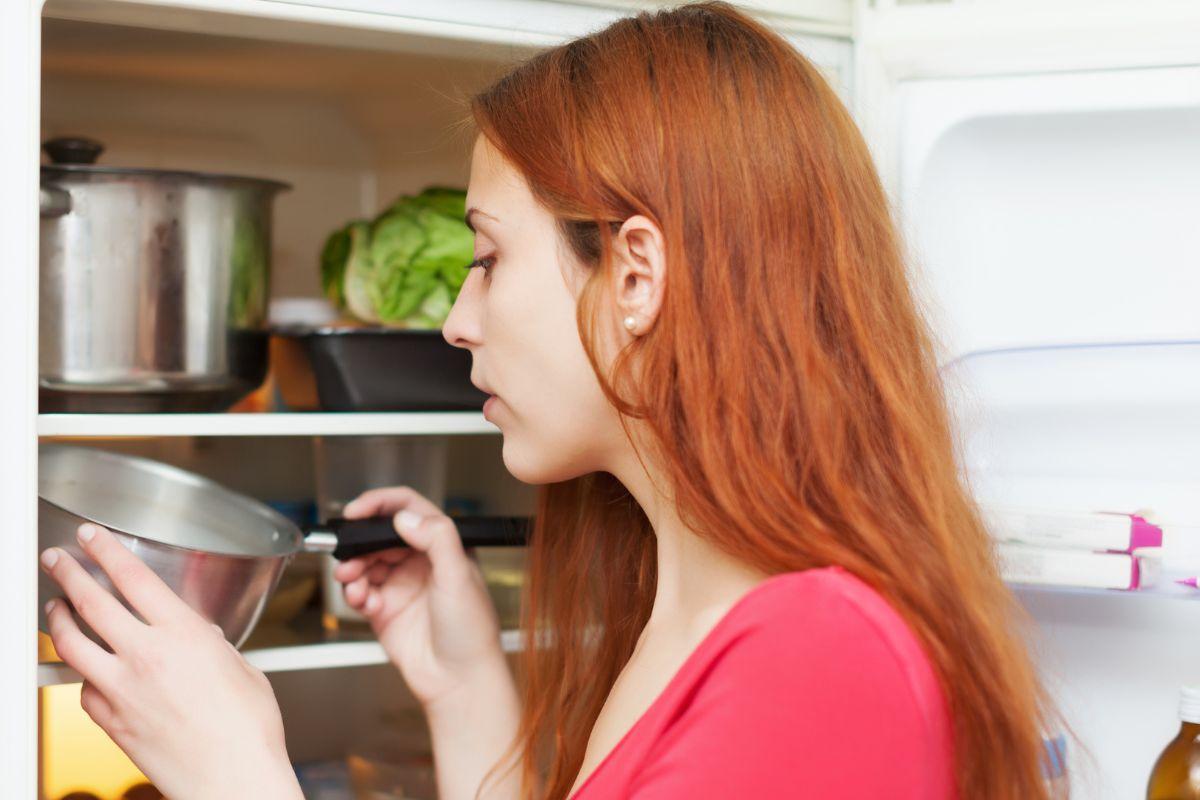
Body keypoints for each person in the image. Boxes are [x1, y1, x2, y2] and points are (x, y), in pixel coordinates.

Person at [39, 3, 1060, 798]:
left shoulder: (822, 655)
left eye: (488, 257)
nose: (458, 321)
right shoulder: (699, 610)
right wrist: (467, 683)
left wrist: (238, 773)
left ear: (635, 275)